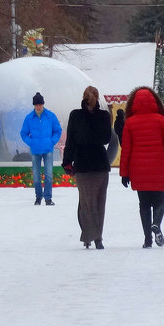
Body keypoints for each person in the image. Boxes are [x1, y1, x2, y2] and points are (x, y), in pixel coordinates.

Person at [119, 86, 164, 248]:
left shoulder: (130, 123)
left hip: (138, 169)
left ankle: (147, 239)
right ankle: (157, 224)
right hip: (159, 167)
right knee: (160, 201)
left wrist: (124, 173)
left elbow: (126, 150)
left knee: (144, 204)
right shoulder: (161, 120)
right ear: (154, 102)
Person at [62, 86, 113, 249]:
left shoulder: (75, 115)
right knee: (99, 202)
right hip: (99, 164)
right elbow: (106, 139)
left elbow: (70, 141)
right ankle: (98, 237)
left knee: (86, 202)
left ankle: (88, 235)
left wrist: (67, 162)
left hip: (82, 164)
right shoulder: (104, 116)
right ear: (97, 98)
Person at [20, 91, 62, 206]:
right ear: (33, 105)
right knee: (36, 176)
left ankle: (48, 198)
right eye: (36, 105)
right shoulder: (29, 118)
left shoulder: (50, 116)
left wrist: (52, 141)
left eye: (40, 104)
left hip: (48, 149)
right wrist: (31, 142)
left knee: (48, 175)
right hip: (35, 150)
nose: (38, 107)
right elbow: (23, 133)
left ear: (43, 104)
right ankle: (38, 197)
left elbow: (57, 130)